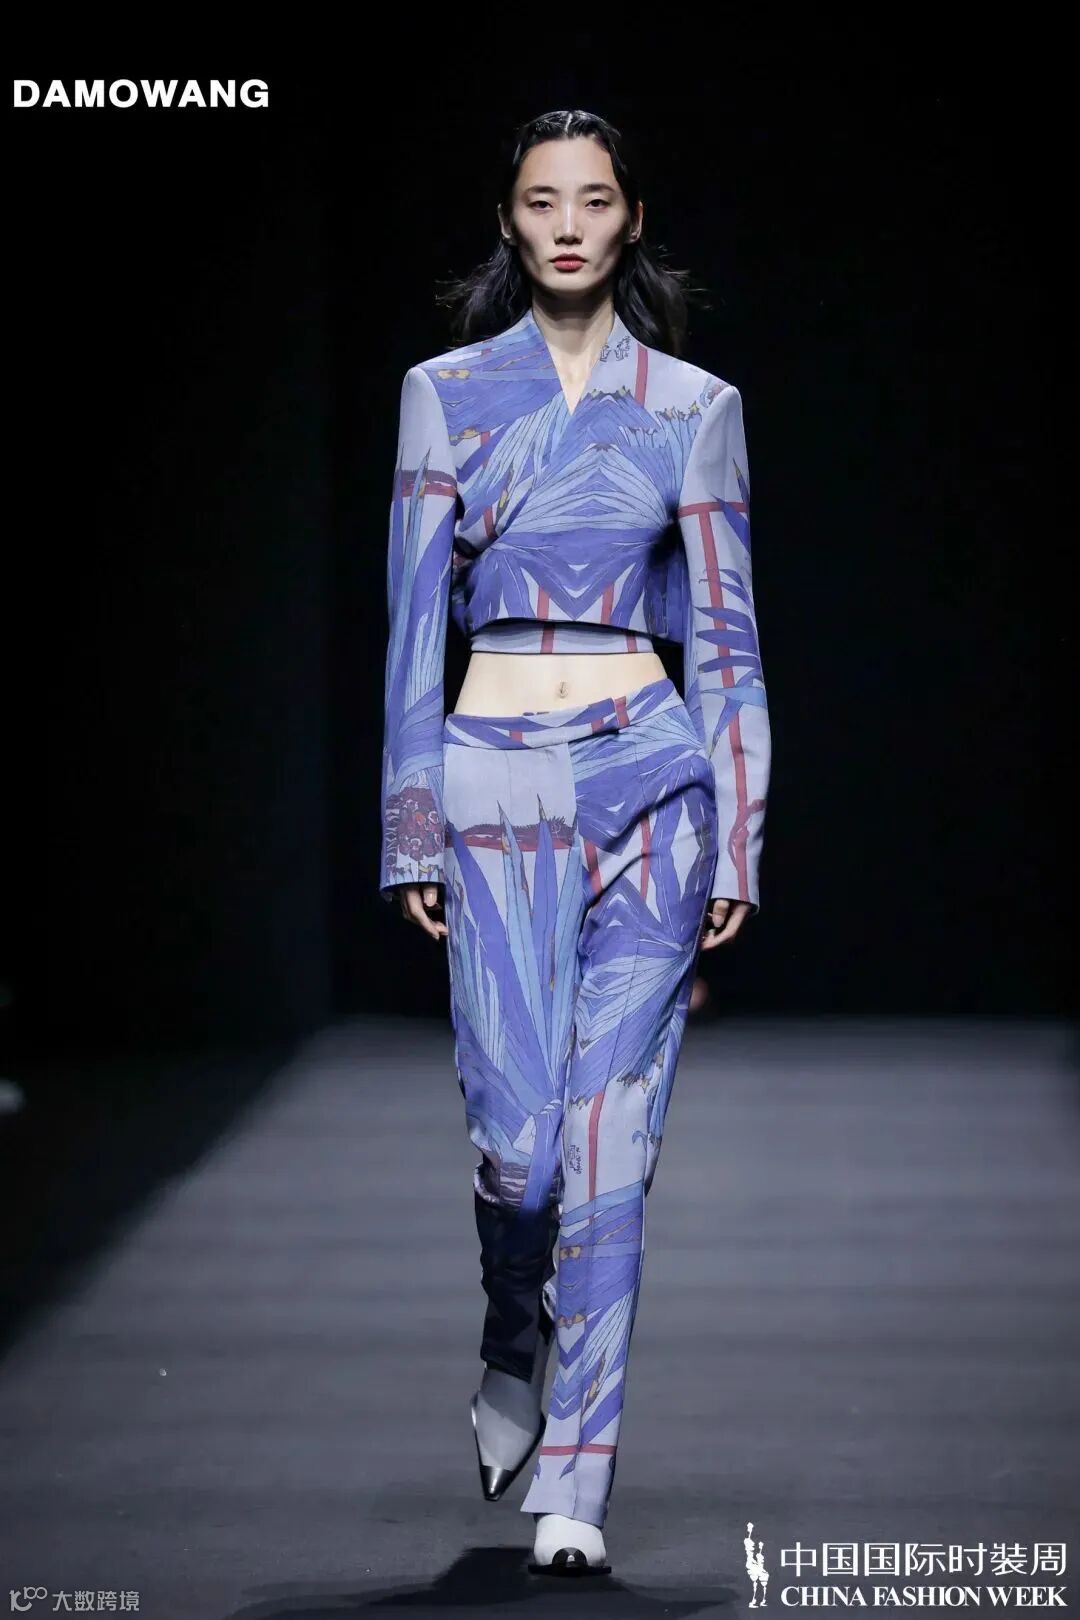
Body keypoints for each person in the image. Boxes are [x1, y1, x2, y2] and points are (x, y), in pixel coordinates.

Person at [378, 107, 771, 1576]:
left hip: (652, 788)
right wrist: (411, 824)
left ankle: (578, 1484)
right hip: (494, 788)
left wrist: (740, 834)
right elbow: (413, 627)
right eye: (542, 201)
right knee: (520, 1155)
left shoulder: (692, 406)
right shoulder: (446, 397)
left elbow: (726, 638)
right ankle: (511, 1324)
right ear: (509, 219)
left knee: (610, 1150)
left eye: (593, 201)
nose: (566, 225)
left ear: (630, 220)